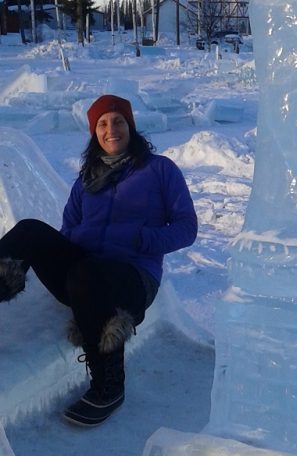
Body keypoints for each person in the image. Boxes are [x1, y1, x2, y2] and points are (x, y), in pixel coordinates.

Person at [0, 94, 198, 427]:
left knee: (86, 274)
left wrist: (146, 239)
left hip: (133, 277)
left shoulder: (159, 170)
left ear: (130, 126)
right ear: (95, 132)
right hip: (84, 272)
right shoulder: (86, 180)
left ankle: (109, 385)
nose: (111, 130)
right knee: (29, 231)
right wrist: (72, 246)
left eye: (118, 121)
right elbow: (68, 229)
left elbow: (187, 227)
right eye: (102, 124)